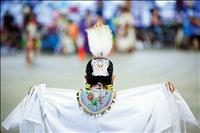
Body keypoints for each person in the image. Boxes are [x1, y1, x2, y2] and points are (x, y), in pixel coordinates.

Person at [1, 20, 199, 132]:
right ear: (113, 79)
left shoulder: (70, 103)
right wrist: (163, 91)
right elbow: (149, 107)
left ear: (85, 78)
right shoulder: (127, 106)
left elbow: (48, 106)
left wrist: (37, 94)